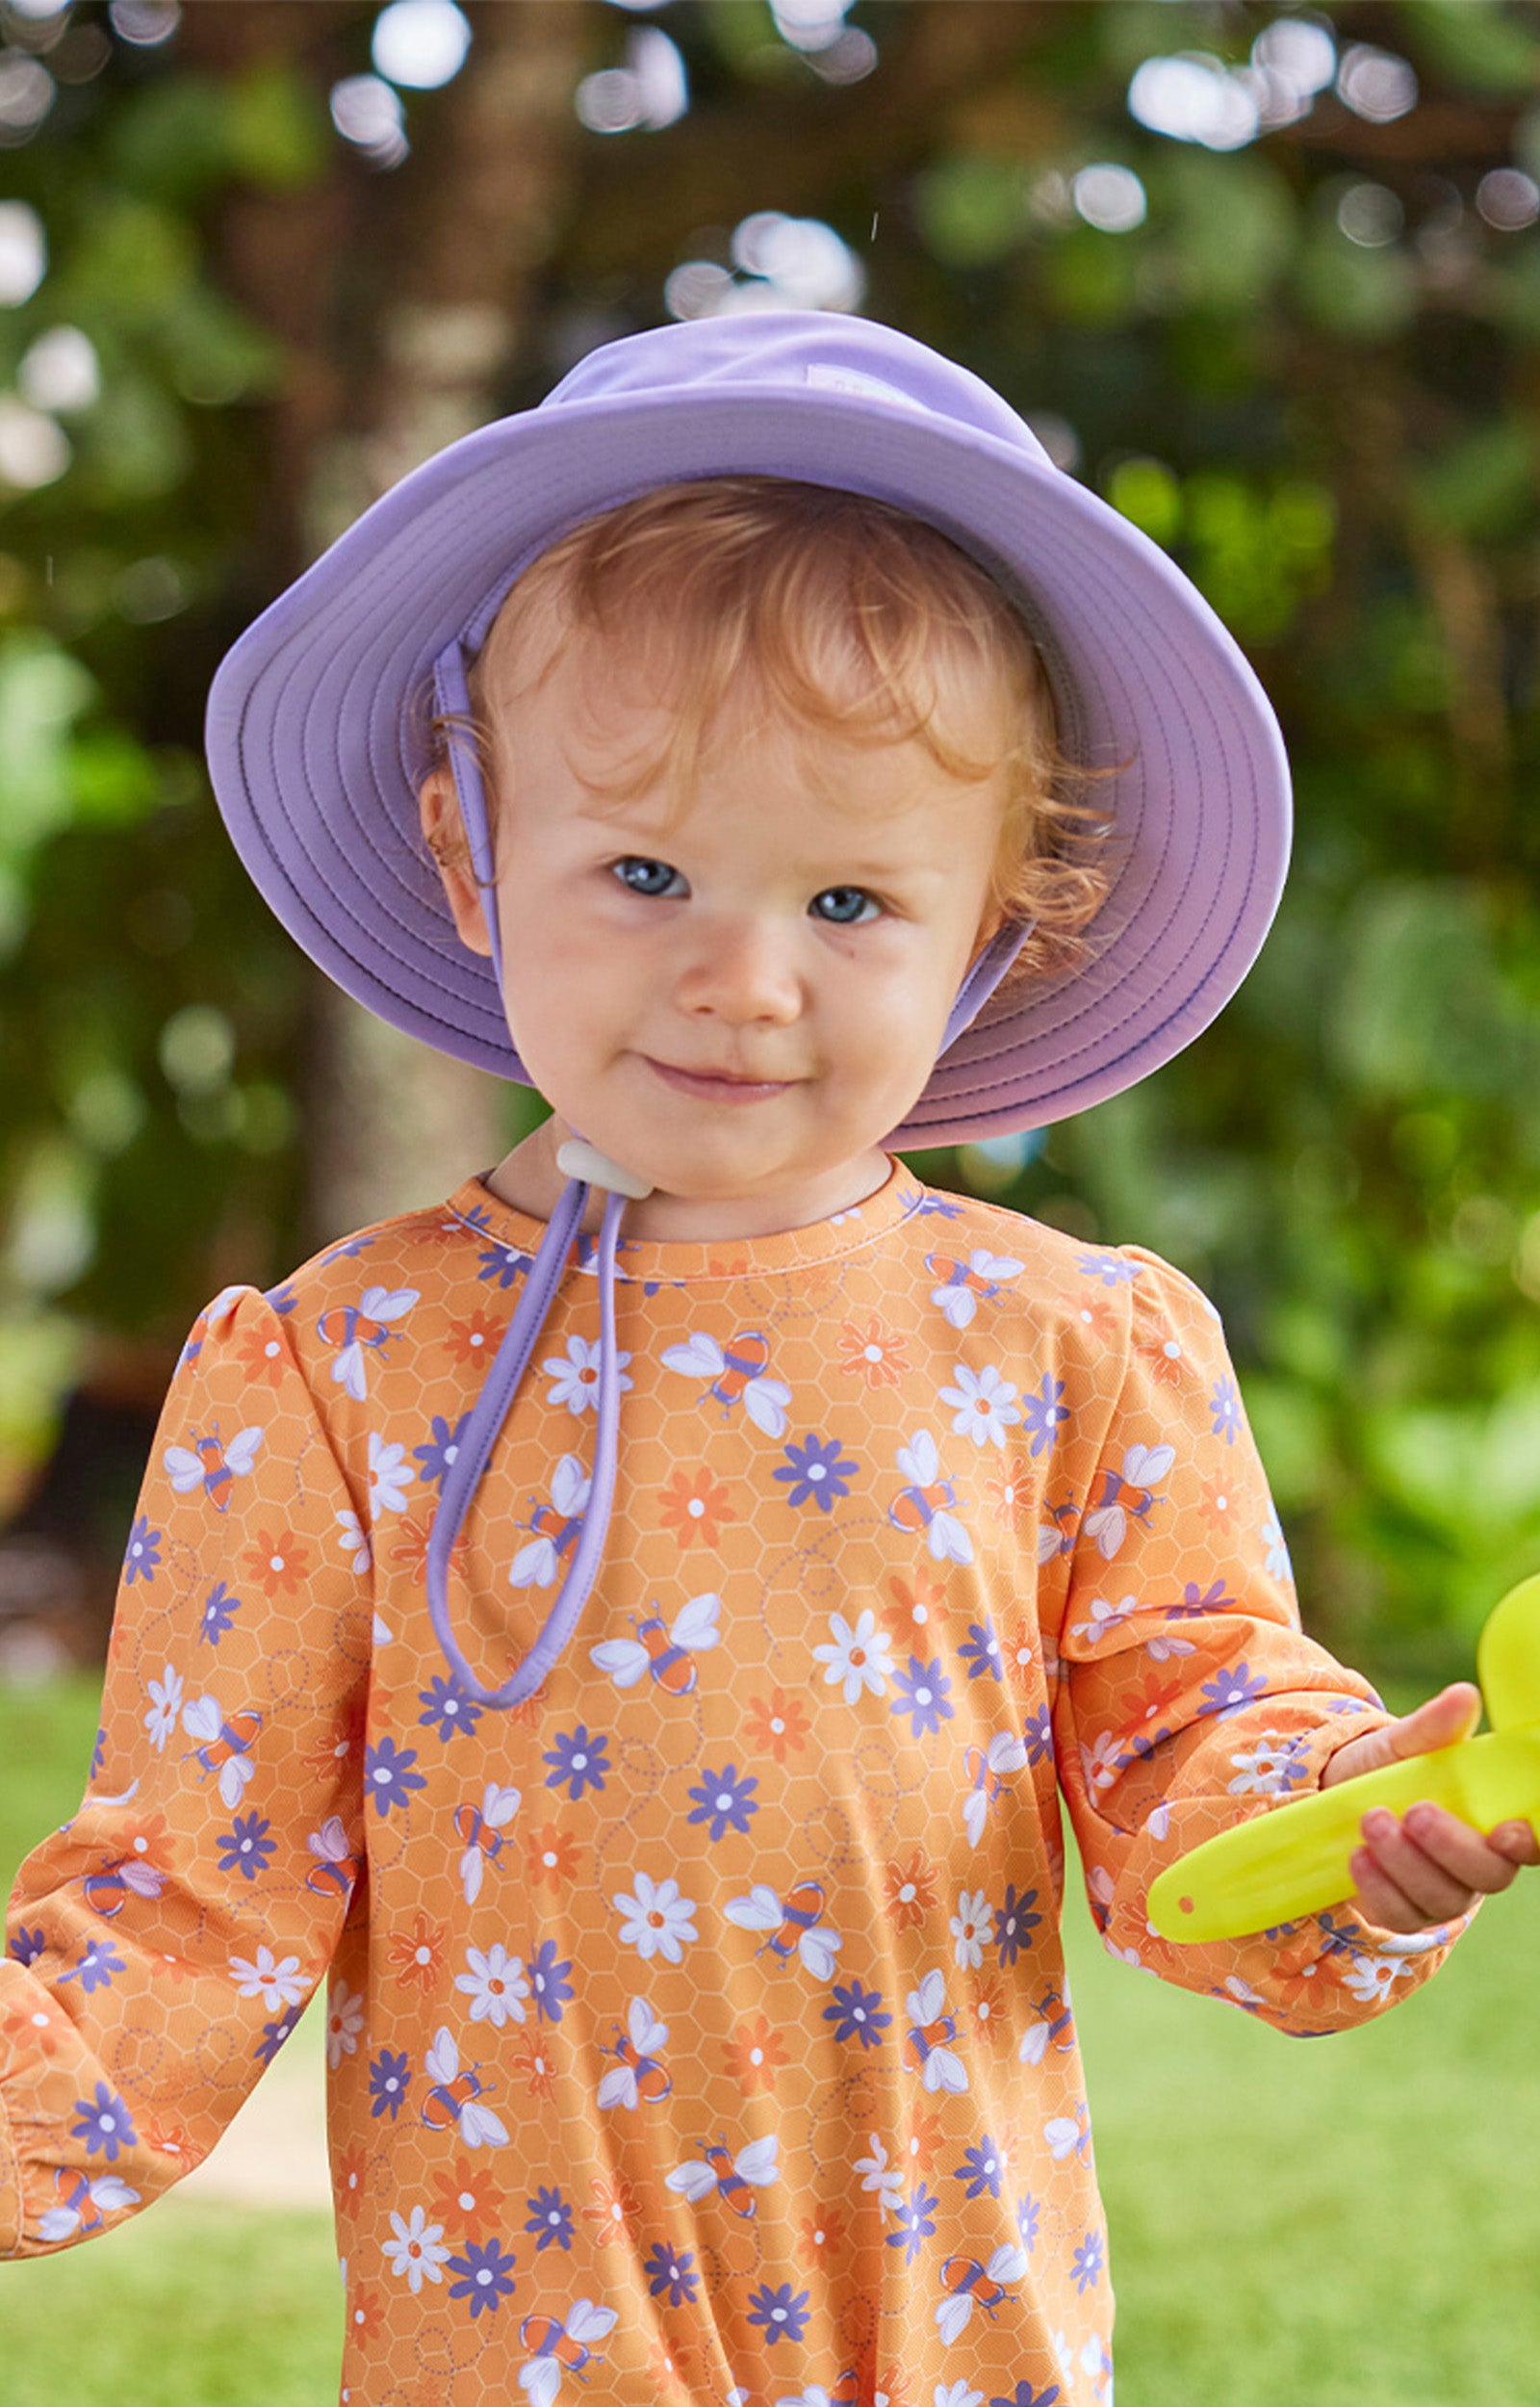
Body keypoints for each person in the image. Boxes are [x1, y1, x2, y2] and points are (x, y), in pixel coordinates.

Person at [2, 315, 1533, 2406]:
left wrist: (1346, 1827)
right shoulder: (336, 1376)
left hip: (949, 2329)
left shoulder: (1065, 1352)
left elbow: (1188, 1758)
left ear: (992, 924)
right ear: (467, 850)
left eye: (848, 900)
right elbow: (188, 1898)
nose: (740, 977)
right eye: (643, 872)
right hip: (516, 2344)